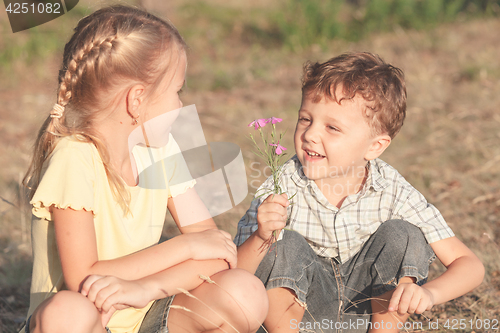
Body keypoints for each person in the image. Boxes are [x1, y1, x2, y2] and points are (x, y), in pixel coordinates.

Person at [21, 5, 268, 333]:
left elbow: (218, 252)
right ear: (136, 100)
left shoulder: (161, 150)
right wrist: (185, 246)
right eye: (176, 91)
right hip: (89, 322)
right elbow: (84, 279)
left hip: (143, 313)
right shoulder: (74, 158)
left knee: (243, 292)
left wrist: (147, 289)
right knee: (67, 312)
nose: (181, 106)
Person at [234, 52, 484, 333]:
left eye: (332, 127)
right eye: (305, 119)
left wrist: (429, 294)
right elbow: (234, 276)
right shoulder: (280, 188)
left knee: (404, 234)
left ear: (374, 147)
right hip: (301, 318)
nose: (310, 134)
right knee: (282, 244)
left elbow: (469, 265)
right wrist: (261, 237)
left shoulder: (393, 190)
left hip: (366, 314)